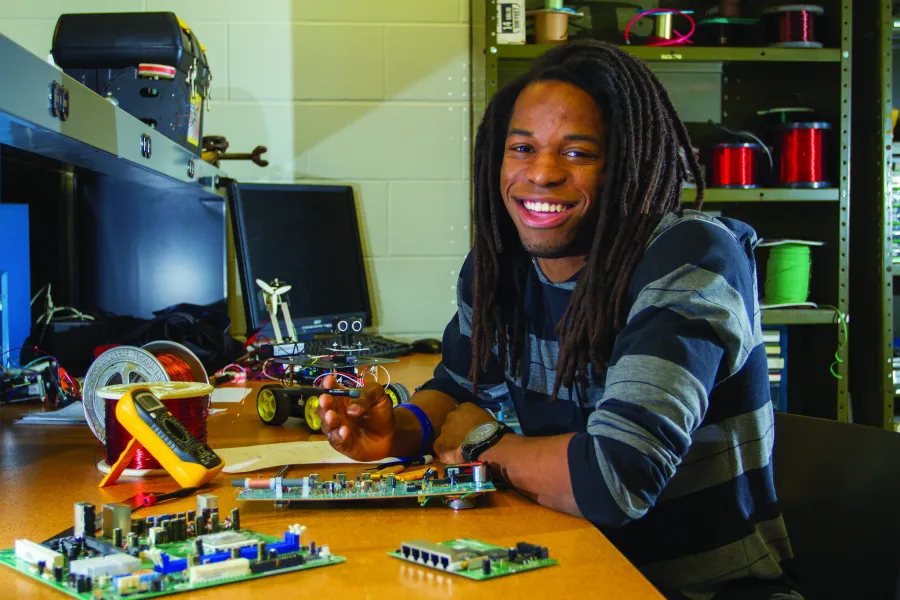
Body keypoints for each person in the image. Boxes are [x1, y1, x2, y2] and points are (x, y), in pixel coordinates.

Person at [317, 39, 799, 600]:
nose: (541, 174)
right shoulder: (501, 267)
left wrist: (478, 443)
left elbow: (614, 479)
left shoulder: (691, 262)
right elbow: (457, 386)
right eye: (522, 148)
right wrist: (400, 431)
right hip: (565, 567)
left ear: (626, 163)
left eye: (577, 153)